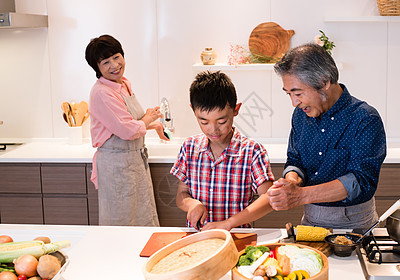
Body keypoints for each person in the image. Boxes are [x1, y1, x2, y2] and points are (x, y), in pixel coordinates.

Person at [266, 43, 387, 230]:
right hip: (311, 219)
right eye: (289, 94)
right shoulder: (301, 115)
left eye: (298, 93)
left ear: (324, 82)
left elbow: (360, 181)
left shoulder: (365, 118)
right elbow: (295, 159)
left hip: (356, 223)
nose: (293, 102)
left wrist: (300, 195)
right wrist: (291, 181)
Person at [170, 71, 275, 230]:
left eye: (221, 121)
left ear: (236, 110)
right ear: (193, 111)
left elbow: (269, 199)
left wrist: (228, 224)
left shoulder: (252, 151)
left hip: (236, 237)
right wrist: (191, 204)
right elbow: (182, 194)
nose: (213, 129)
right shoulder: (189, 147)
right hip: (200, 237)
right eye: (204, 121)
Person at [85, 34, 168, 226]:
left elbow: (130, 120)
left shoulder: (122, 84)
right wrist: (148, 119)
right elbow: (127, 129)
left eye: (116, 57)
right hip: (117, 165)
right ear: (97, 68)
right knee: (121, 221)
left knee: (142, 216)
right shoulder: (102, 92)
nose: (114, 65)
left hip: (132, 161)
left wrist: (153, 124)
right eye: (105, 62)